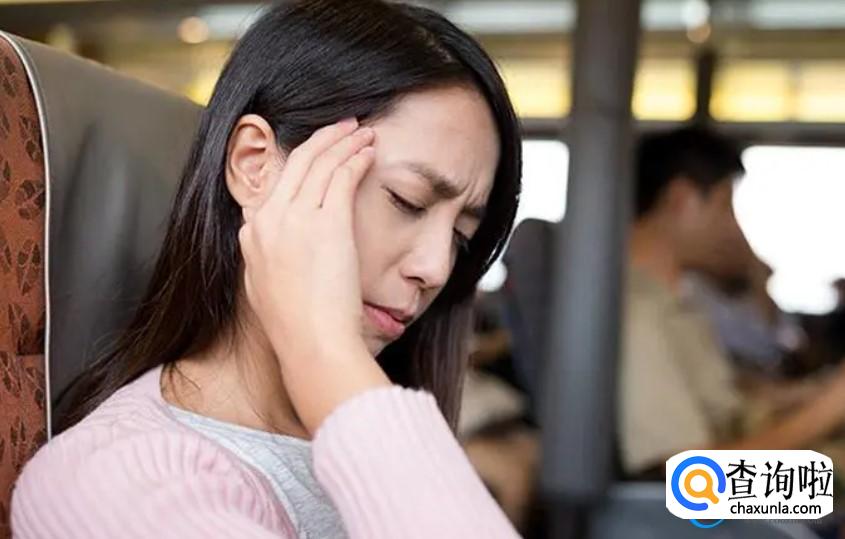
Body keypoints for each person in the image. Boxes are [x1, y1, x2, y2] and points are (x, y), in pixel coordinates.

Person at [11, 1, 523, 537]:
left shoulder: (375, 438)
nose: (436, 267)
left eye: (461, 238)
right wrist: (323, 350)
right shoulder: (117, 481)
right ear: (255, 165)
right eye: (407, 200)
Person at [620, 126, 845, 478]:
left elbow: (730, 406)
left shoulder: (676, 306)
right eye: (725, 206)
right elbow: (689, 478)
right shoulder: (638, 316)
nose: (733, 228)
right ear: (681, 200)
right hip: (699, 500)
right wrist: (827, 411)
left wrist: (815, 395)